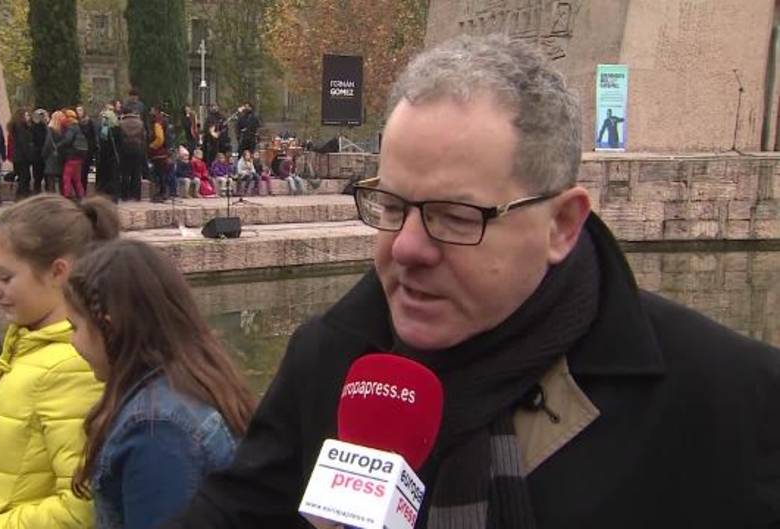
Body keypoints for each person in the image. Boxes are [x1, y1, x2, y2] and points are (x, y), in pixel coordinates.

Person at [159, 34, 780, 529]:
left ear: (562, 224)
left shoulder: (730, 399)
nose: (405, 247)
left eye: (456, 217)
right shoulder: (328, 357)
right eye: (393, 206)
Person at [0, 194, 120, 529]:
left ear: (58, 272)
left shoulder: (72, 364)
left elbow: (82, 507)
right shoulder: (27, 343)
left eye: (4, 277)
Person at [65, 239, 255, 529]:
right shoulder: (194, 381)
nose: (72, 342)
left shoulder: (158, 428)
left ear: (109, 326)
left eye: (74, 327)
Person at [58, 109, 88, 200]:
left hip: (72, 156)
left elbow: (68, 140)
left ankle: (67, 196)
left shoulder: (71, 127)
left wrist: (58, 145)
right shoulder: (78, 127)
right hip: (80, 156)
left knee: (66, 177)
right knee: (77, 179)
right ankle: (81, 197)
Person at [118, 105, 146, 201]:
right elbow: (143, 136)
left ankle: (125, 195)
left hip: (125, 149)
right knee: (137, 172)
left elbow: (119, 137)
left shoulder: (121, 123)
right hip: (138, 148)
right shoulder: (140, 123)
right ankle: (136, 195)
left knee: (125, 172)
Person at [7, 109, 35, 200]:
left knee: (24, 177)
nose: (28, 117)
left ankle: (21, 196)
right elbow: (23, 143)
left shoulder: (18, 128)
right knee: (25, 178)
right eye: (26, 115)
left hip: (18, 157)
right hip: (22, 157)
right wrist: (29, 156)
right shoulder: (21, 128)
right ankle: (21, 197)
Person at [96, 109, 121, 201]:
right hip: (112, 156)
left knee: (106, 177)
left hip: (106, 157)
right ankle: (113, 196)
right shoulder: (117, 129)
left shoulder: (104, 130)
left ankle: (105, 194)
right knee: (113, 177)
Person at [41, 111, 66, 194]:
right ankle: (62, 198)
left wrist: (43, 155)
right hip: (61, 157)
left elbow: (48, 143)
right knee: (61, 181)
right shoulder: (64, 130)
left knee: (50, 182)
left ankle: (52, 200)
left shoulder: (51, 129)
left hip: (51, 158)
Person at [76, 105, 97, 194]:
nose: (78, 112)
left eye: (80, 110)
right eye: (77, 111)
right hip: (79, 150)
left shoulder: (89, 122)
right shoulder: (76, 123)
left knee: (85, 171)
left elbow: (93, 136)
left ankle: (84, 190)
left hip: (88, 149)